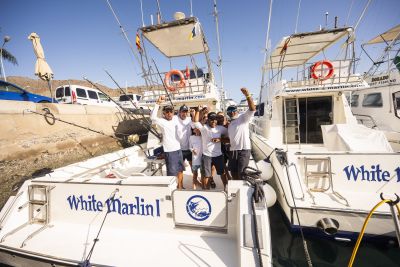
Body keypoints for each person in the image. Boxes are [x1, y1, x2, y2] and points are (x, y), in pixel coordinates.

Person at [150, 96, 184, 189]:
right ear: (164, 113)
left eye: (171, 111)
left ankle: (180, 187)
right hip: (170, 151)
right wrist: (157, 103)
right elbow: (152, 117)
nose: (169, 113)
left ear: (173, 112)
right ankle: (173, 190)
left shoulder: (176, 119)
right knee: (172, 173)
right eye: (167, 112)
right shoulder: (161, 121)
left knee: (180, 170)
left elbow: (185, 116)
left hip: (178, 149)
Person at [194, 108, 228, 190]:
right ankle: (207, 191)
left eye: (215, 119)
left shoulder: (221, 129)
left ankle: (226, 189)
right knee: (207, 175)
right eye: (211, 119)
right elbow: (196, 122)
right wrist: (198, 111)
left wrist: (220, 139)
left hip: (218, 155)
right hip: (207, 156)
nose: (214, 121)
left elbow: (228, 139)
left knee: (222, 173)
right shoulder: (204, 128)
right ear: (208, 120)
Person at [227, 87, 256, 180]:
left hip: (243, 150)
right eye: (229, 111)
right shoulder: (230, 124)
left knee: (242, 173)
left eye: (233, 110)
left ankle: (242, 190)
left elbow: (252, 108)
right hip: (233, 151)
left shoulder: (243, 118)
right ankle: (236, 187)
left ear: (237, 111)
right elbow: (231, 138)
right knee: (233, 172)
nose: (231, 112)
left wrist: (247, 95)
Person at [176, 104, 193, 169]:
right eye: (183, 111)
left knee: (193, 167)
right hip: (179, 149)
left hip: (189, 148)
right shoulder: (175, 119)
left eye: (186, 112)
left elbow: (195, 125)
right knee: (180, 168)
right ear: (179, 112)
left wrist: (194, 114)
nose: (184, 113)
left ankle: (194, 179)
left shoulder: (190, 119)